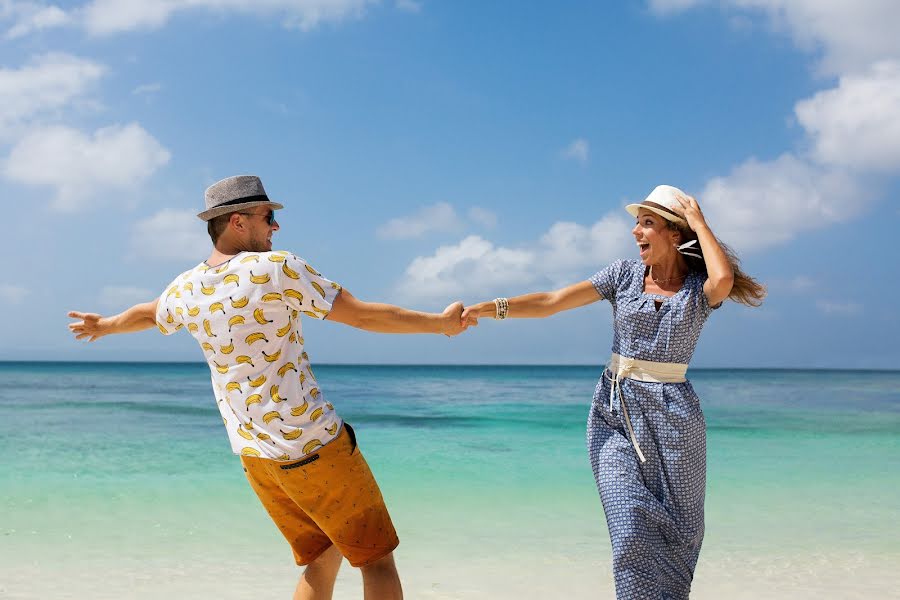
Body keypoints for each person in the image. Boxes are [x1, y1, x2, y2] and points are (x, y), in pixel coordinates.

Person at [67, 174, 469, 600]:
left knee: (322, 556)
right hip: (312, 445)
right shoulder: (276, 269)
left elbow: (149, 314)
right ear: (238, 221)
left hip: (256, 458)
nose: (276, 226)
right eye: (268, 216)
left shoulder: (186, 288)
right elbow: (363, 316)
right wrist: (440, 324)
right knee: (376, 561)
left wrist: (105, 326)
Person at [461, 185, 765, 599]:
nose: (635, 232)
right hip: (615, 413)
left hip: (675, 422)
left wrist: (699, 221)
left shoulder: (699, 290)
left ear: (675, 234)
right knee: (629, 526)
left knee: (680, 533)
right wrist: (490, 308)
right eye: (637, 223)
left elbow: (724, 277)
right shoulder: (622, 275)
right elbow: (552, 300)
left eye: (647, 223)